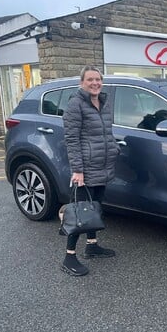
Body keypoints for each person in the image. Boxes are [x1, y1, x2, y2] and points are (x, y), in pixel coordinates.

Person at [61, 65, 120, 276]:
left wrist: (113, 148)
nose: (95, 83)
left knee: (93, 208)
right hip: (85, 169)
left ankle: (92, 246)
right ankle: (69, 257)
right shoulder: (75, 104)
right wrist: (78, 170)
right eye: (90, 80)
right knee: (79, 212)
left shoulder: (103, 102)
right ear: (82, 83)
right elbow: (72, 139)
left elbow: (105, 133)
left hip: (102, 166)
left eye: (98, 79)